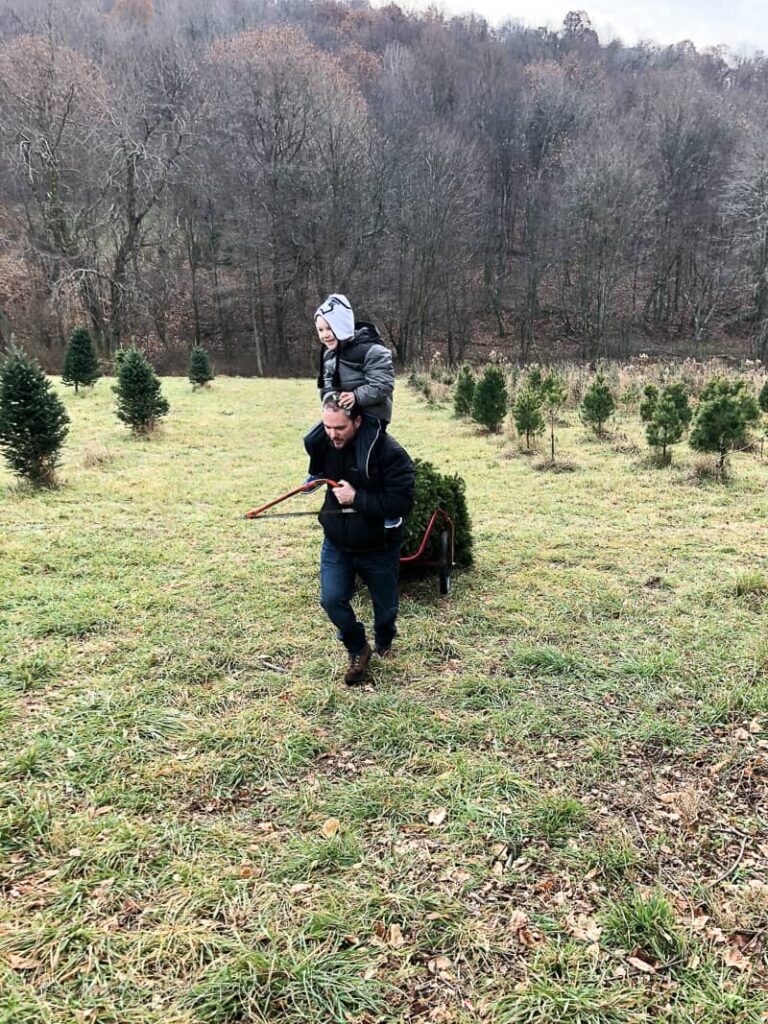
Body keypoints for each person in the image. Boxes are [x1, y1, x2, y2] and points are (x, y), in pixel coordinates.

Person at [306, 395, 415, 686]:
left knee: (386, 608)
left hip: (378, 546)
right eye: (327, 427)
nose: (332, 434)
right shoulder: (327, 445)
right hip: (337, 542)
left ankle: (384, 638)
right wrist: (314, 479)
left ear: (357, 420)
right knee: (331, 599)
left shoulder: (390, 453)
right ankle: (357, 647)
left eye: (339, 427)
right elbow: (318, 469)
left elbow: (402, 502)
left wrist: (357, 498)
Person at [305, 294, 395, 479]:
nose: (324, 334)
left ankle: (368, 492)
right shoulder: (329, 354)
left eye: (329, 328)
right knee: (312, 440)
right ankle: (319, 474)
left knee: (365, 461)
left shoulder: (373, 351)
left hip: (372, 414)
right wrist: (331, 400)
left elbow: (383, 384)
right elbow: (327, 383)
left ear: (342, 325)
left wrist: (356, 397)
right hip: (343, 414)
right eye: (320, 330)